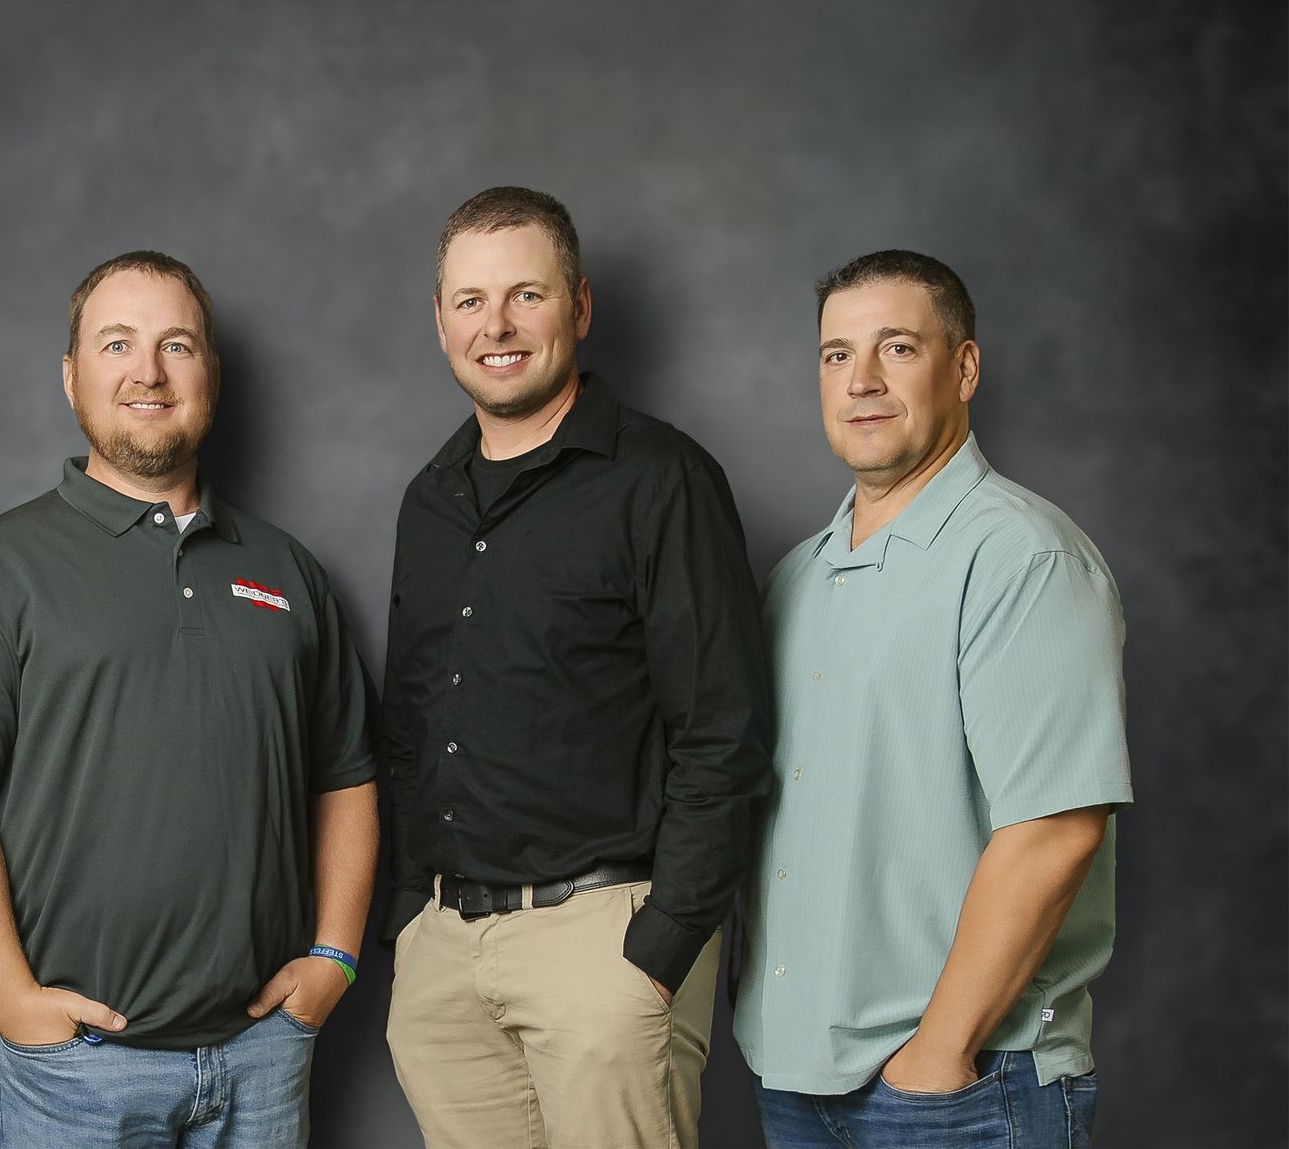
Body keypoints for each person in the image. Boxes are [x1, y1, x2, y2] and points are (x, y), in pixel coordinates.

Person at [0, 250, 379, 1149]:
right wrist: (9, 995)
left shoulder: (288, 571)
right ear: (72, 376)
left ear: (210, 375)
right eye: (117, 344)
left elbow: (346, 779)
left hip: (262, 1057)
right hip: (77, 1068)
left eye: (176, 345)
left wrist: (335, 959)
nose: (148, 371)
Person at [381, 186, 773, 1149]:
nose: (497, 326)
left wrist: (661, 946)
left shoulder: (661, 479)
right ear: (440, 321)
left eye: (527, 294)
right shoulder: (429, 501)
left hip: (604, 942)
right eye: (470, 301)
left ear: (580, 306)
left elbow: (724, 731)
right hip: (445, 958)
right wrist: (408, 919)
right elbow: (414, 723)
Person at [737, 250, 1133, 1149]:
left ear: (964, 368)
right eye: (837, 355)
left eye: (897, 348)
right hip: (796, 1082)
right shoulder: (794, 581)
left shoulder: (1022, 560)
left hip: (960, 1090)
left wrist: (939, 1056)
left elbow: (1055, 830)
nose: (861, 381)